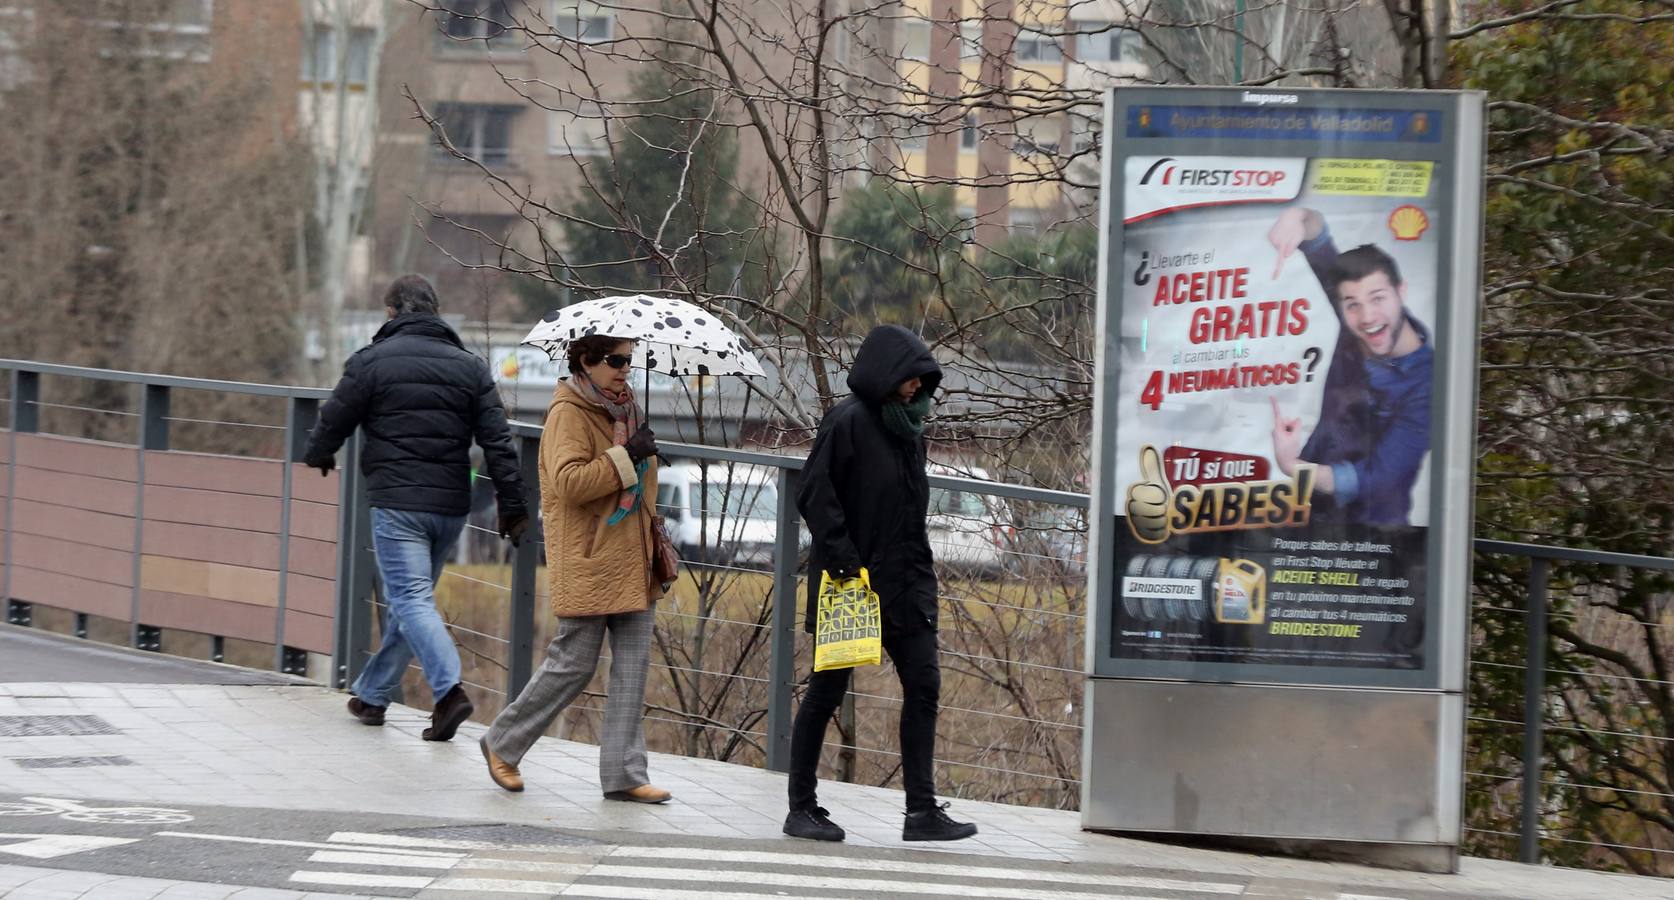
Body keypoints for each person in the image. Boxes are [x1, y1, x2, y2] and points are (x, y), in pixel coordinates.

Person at [303, 274, 529, 741]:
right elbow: (499, 443)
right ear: (435, 311)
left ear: (391, 313)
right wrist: (513, 504)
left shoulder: (372, 362)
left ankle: (449, 693)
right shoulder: (471, 368)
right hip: (449, 508)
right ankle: (372, 695)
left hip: (397, 504)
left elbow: (335, 416)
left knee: (409, 600)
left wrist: (319, 451)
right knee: (415, 603)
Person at [784, 325, 978, 843]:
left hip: (905, 582)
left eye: (923, 380)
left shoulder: (910, 429)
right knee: (827, 690)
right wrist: (846, 561)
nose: (919, 388)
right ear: (887, 374)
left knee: (925, 684)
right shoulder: (846, 421)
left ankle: (921, 812)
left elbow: (909, 510)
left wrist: (917, 572)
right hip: (852, 585)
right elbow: (814, 495)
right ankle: (800, 806)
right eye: (912, 378)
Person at [477, 335, 672, 804]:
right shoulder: (568, 412)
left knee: (632, 666)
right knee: (573, 663)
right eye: (616, 360)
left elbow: (638, 485)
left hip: (633, 554)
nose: (626, 369)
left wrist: (637, 459)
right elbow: (569, 485)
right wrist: (629, 457)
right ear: (586, 361)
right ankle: (502, 743)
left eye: (630, 360)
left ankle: (624, 773)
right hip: (591, 555)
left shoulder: (626, 408)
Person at [1268, 207, 1433, 526]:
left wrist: (1291, 465)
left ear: (1401, 292)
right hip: (1305, 511)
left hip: (1370, 539)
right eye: (1353, 304)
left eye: (1378, 298)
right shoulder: (1354, 323)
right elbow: (1318, 239)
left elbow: (1376, 478)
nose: (1367, 316)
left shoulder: (1427, 383)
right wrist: (1299, 216)